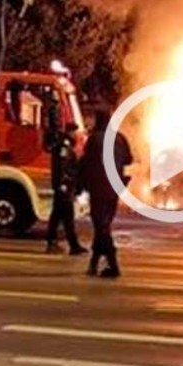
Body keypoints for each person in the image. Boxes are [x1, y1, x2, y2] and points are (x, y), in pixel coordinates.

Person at [78, 109, 131, 278]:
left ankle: (113, 265)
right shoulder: (120, 138)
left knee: (101, 226)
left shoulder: (94, 139)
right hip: (115, 188)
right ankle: (93, 264)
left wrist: (79, 185)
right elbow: (129, 159)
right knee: (103, 225)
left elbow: (85, 162)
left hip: (98, 188)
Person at [45, 124, 86, 255]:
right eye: (74, 132)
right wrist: (63, 184)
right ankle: (73, 246)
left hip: (63, 186)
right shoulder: (64, 146)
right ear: (70, 132)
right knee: (68, 216)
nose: (76, 135)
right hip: (65, 186)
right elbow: (62, 166)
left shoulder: (64, 145)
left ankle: (52, 243)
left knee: (56, 216)